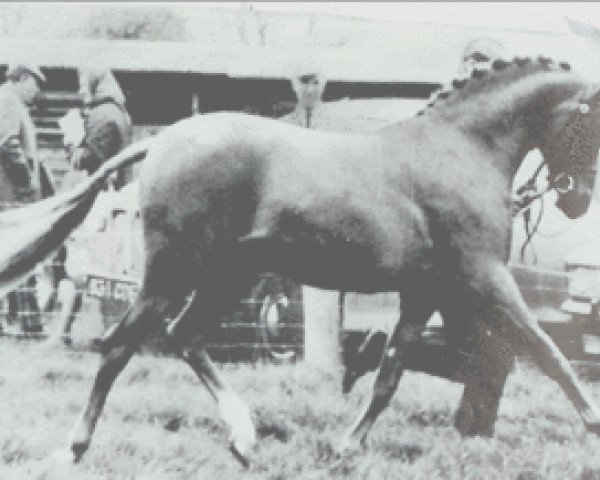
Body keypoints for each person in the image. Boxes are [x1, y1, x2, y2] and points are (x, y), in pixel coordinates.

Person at [0, 63, 48, 333]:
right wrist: (28, 181)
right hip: (12, 197)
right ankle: (27, 320)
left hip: (14, 196)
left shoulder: (11, 101)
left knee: (16, 257)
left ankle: (23, 319)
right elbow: (7, 143)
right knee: (18, 255)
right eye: (35, 84)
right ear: (23, 79)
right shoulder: (7, 101)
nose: (37, 91)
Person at [70, 67, 132, 189]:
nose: (81, 91)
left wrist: (72, 145)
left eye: (83, 85)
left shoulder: (102, 114)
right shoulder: (116, 110)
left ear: (94, 83)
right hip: (117, 186)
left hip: (103, 192)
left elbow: (93, 158)